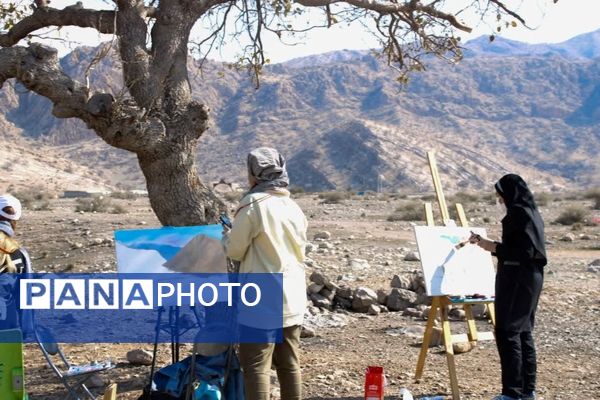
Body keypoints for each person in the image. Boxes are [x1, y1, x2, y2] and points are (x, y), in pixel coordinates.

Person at [222, 147, 308, 400]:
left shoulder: (253, 204)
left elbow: (235, 250)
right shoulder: (293, 206)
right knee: (289, 364)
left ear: (254, 174)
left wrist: (227, 236)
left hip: (262, 295)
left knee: (256, 366)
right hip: (291, 294)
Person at [469, 174, 546, 400]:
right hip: (530, 277)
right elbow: (523, 248)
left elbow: (519, 252)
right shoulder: (532, 213)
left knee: (508, 332)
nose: (499, 200)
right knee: (523, 332)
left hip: (518, 277)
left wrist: (489, 246)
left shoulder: (517, 215)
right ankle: (527, 390)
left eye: (500, 195)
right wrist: (487, 244)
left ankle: (512, 393)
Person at [0, 194, 32, 332]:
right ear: (15, 221)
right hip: (7, 326)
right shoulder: (19, 253)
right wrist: (27, 328)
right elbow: (25, 296)